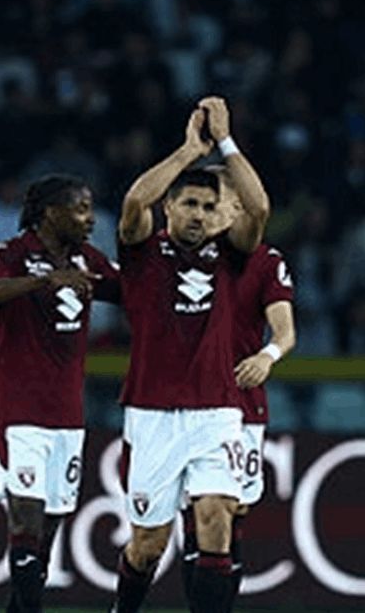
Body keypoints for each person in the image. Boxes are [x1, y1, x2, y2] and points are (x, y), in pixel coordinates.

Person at [110, 97, 270, 613]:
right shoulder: (143, 253)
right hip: (151, 413)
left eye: (207, 206)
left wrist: (226, 142)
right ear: (170, 208)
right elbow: (134, 203)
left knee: (215, 518)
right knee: (148, 545)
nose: (199, 214)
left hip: (217, 410)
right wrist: (188, 152)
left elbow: (258, 210)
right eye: (189, 205)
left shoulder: (228, 256)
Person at [0, 174, 121, 612]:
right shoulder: (12, 253)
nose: (90, 219)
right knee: (27, 518)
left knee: (48, 531)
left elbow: (130, 291)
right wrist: (45, 281)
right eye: (80, 209)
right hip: (20, 405)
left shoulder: (86, 258)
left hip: (68, 410)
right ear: (50, 213)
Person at [180, 176, 296, 608]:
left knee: (229, 516)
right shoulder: (178, 256)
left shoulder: (265, 261)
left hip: (240, 402)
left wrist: (268, 355)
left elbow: (285, 332)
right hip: (183, 403)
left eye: (222, 203)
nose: (211, 212)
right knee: (194, 519)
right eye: (205, 204)